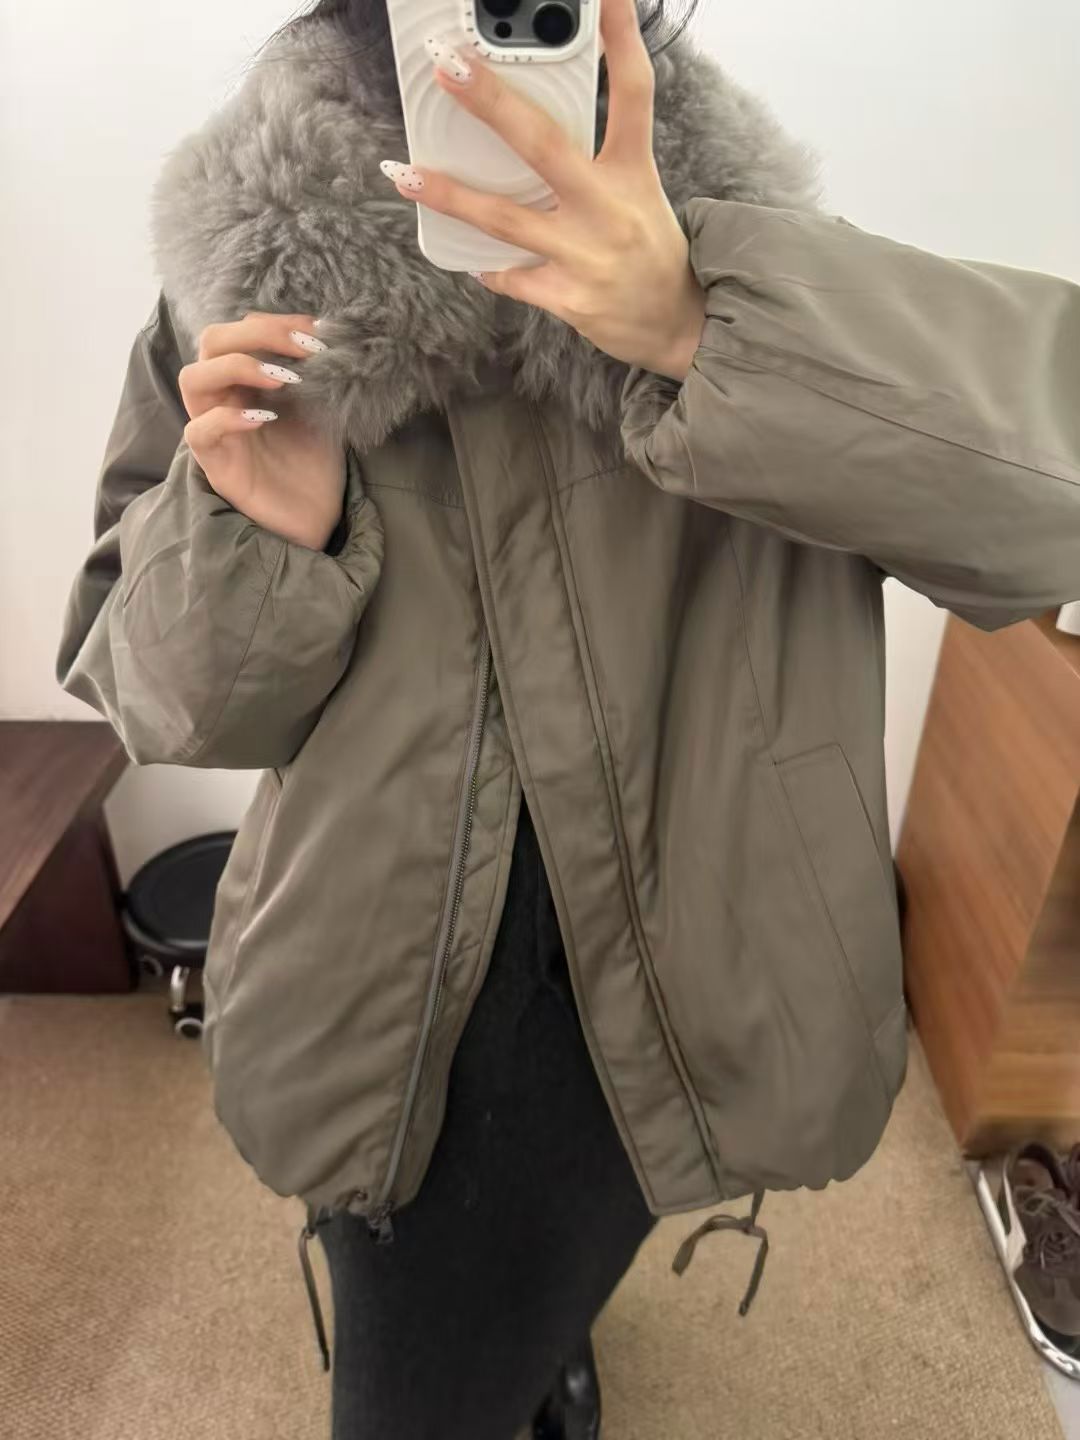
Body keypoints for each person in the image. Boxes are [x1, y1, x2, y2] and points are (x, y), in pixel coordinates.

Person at [56, 0, 1080, 1436]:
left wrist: (706, 329)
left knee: (586, 1234)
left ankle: (550, 1340)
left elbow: (1050, 514)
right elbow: (164, 701)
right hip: (390, 999)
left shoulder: (752, 254)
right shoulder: (241, 298)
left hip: (699, 958)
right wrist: (263, 531)